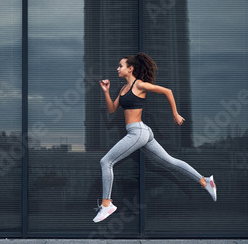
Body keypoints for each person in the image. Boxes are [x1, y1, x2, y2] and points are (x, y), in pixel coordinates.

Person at [93, 52, 217, 223]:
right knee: (170, 162)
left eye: (120, 66)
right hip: (142, 132)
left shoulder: (140, 85)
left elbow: (167, 91)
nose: (117, 68)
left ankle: (107, 204)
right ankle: (206, 182)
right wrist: (106, 91)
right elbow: (113, 109)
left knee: (106, 162)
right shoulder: (123, 89)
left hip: (138, 132)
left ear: (130, 69)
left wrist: (175, 114)